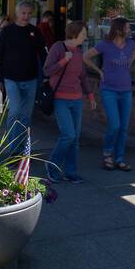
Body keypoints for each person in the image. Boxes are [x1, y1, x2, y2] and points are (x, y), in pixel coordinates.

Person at [44, 21, 97, 183]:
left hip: (76, 99)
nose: (85, 37)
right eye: (83, 34)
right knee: (69, 135)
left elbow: (82, 76)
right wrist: (63, 61)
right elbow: (46, 70)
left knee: (75, 138)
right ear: (74, 33)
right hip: (61, 98)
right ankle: (52, 166)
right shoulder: (58, 48)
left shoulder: (79, 52)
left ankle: (70, 172)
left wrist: (90, 95)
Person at [0, 0, 47, 155]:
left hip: (31, 80)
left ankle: (21, 149)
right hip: (11, 79)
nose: (26, 16)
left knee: (26, 116)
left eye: (29, 13)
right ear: (17, 13)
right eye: (23, 13)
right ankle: (12, 150)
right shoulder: (7, 32)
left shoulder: (35, 31)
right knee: (15, 111)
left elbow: (44, 54)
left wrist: (47, 74)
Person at [86, 16, 135, 170]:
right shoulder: (105, 45)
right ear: (119, 29)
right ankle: (107, 153)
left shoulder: (131, 44)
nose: (129, 30)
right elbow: (85, 56)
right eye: (127, 27)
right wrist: (99, 71)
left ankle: (119, 158)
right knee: (114, 125)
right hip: (109, 90)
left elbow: (133, 55)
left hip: (126, 90)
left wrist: (128, 65)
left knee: (123, 127)